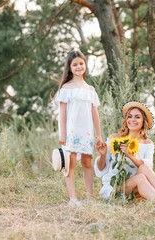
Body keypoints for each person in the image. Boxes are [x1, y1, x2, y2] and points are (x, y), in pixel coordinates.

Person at [94, 101, 155, 211]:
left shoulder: (148, 144)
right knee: (140, 178)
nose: (132, 120)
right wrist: (103, 155)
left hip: (134, 188)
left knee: (144, 167)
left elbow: (148, 168)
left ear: (143, 121)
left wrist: (131, 156)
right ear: (126, 120)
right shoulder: (115, 139)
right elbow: (101, 169)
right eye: (130, 116)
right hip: (115, 188)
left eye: (137, 117)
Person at [54, 49, 103, 206]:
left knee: (87, 163)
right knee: (70, 163)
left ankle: (90, 197)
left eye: (81, 63)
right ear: (69, 67)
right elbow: (62, 115)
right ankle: (73, 199)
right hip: (72, 132)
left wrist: (99, 135)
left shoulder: (90, 90)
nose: (79, 66)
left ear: (85, 65)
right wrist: (63, 134)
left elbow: (95, 114)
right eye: (75, 64)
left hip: (86, 132)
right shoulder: (66, 89)